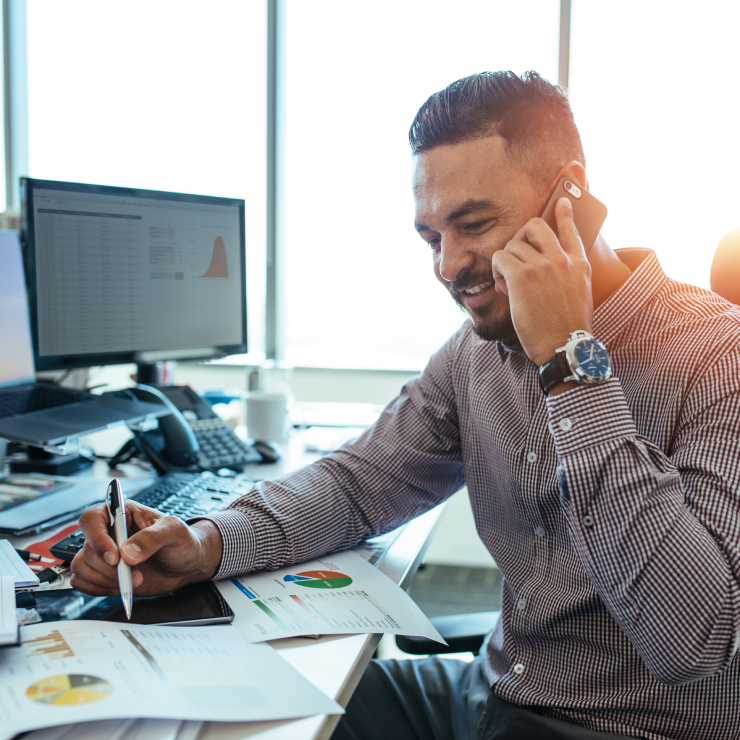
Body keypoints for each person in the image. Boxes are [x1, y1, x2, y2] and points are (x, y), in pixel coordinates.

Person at [71, 71, 740, 740]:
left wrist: (569, 358)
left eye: (473, 224)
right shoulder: (474, 355)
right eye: (431, 237)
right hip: (488, 693)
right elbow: (359, 484)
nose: (449, 266)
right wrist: (207, 542)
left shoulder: (719, 357)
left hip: (633, 729)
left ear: (571, 195)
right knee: (221, 718)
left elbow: (691, 639)